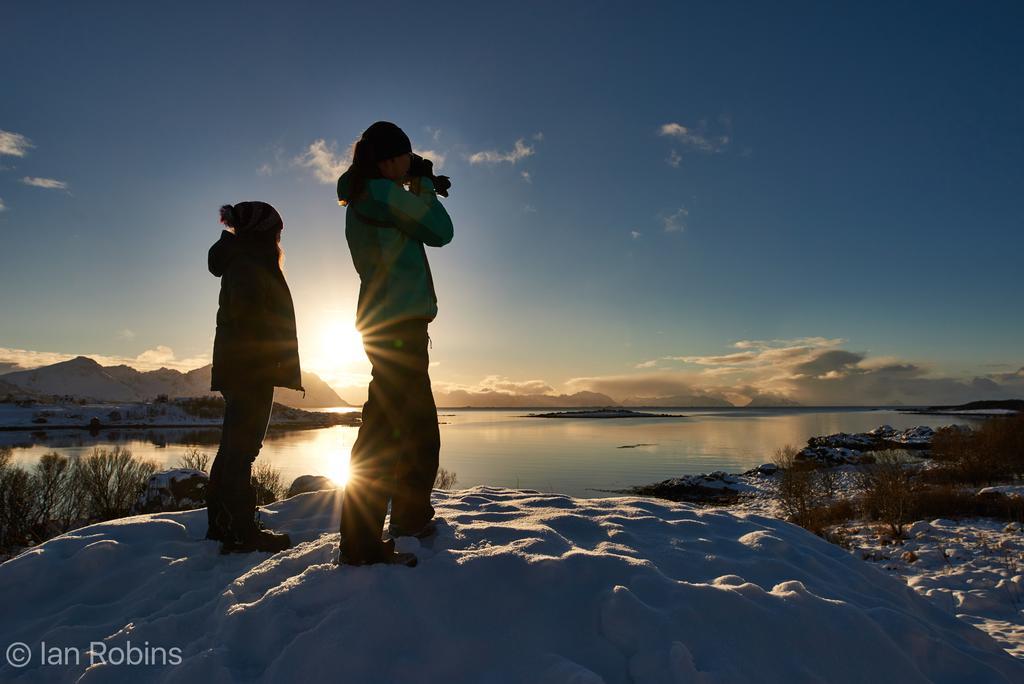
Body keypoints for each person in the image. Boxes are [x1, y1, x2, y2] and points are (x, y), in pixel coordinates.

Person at [336, 121, 454, 566]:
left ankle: (410, 516)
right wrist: (423, 185)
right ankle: (361, 541)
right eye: (405, 156)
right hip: (397, 324)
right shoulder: (381, 195)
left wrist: (418, 183)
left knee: (417, 428)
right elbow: (441, 230)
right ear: (387, 159)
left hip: (391, 321)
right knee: (384, 430)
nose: (411, 162)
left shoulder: (376, 193)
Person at [206, 201, 303, 553]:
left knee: (233, 449)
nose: (280, 239)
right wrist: (269, 362)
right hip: (250, 370)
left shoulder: (243, 259)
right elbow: (251, 321)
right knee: (242, 451)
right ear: (264, 234)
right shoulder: (250, 262)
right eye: (276, 232)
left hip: (242, 368)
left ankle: (223, 525)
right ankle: (241, 531)